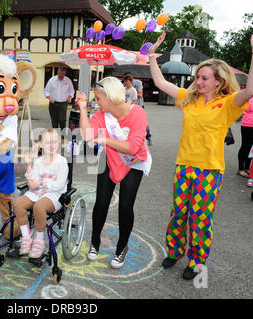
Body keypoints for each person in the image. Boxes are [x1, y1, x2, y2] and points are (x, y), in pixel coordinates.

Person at [147, 30, 253, 280]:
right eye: (197, 77)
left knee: (200, 218)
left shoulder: (227, 104)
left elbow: (251, 88)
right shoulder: (189, 99)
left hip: (209, 171)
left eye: (204, 78)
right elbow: (160, 83)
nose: (198, 82)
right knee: (178, 213)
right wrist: (151, 56)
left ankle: (196, 261)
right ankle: (175, 250)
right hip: (184, 166)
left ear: (218, 81)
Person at [76, 76, 151, 269]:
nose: (96, 101)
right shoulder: (101, 115)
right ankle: (94, 243)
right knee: (101, 203)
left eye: (99, 98)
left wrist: (104, 140)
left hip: (133, 163)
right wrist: (83, 109)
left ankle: (121, 248)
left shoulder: (138, 114)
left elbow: (133, 148)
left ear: (110, 97)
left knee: (125, 206)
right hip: (109, 159)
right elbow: (87, 136)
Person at [13, 129, 68, 260]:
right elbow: (32, 179)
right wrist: (28, 164)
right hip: (38, 193)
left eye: (54, 142)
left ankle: (39, 241)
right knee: (18, 203)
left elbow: (60, 184)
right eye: (48, 142)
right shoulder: (38, 161)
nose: (52, 145)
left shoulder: (61, 162)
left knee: (39, 207)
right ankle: (26, 237)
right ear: (41, 145)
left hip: (54, 195)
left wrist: (40, 184)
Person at [124, 72, 153, 145]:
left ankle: (148, 137)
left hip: (139, 105)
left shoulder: (138, 83)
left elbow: (140, 94)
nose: (124, 82)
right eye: (124, 80)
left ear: (131, 79)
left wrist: (132, 92)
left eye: (126, 80)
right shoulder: (124, 86)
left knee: (142, 122)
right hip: (127, 107)